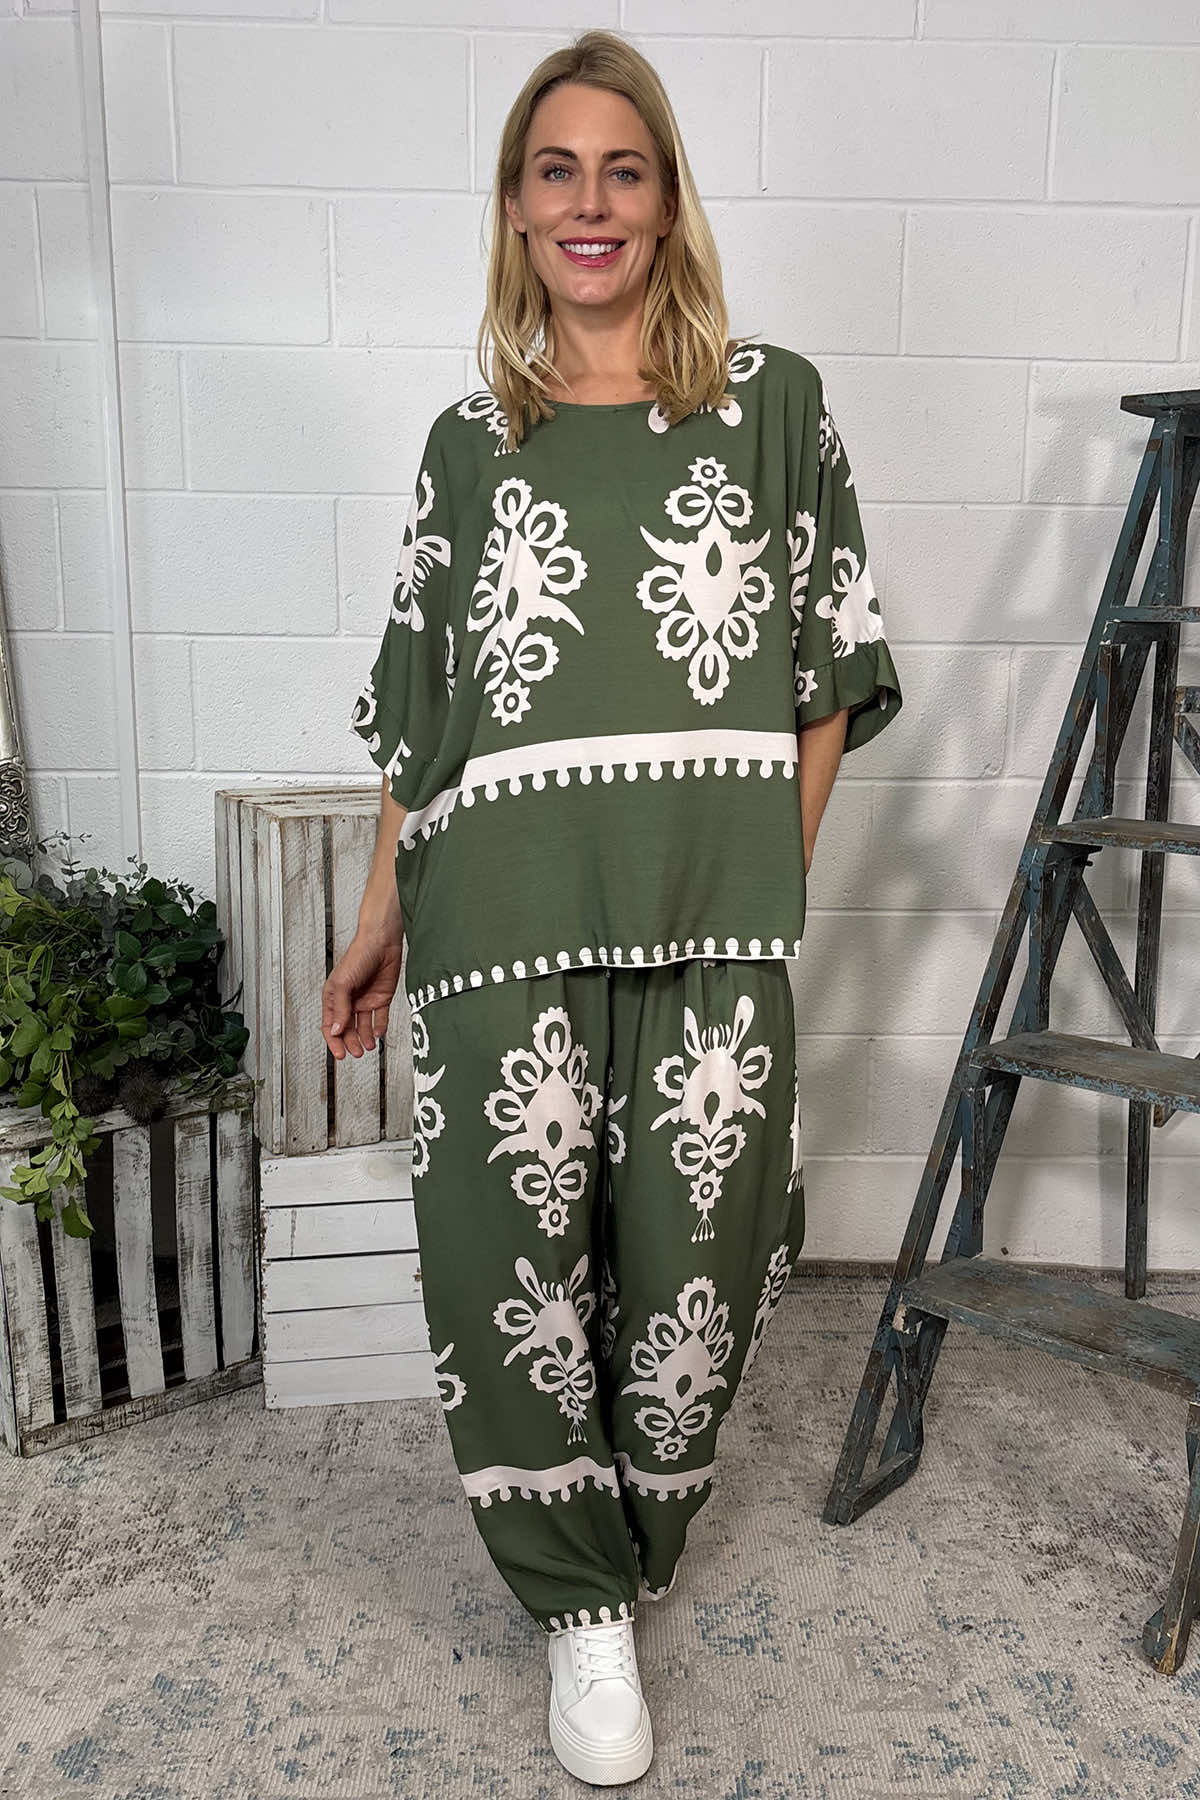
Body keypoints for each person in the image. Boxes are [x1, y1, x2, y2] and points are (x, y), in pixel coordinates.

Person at [323, 29, 902, 1789]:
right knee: (506, 1268)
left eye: (622, 170)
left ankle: (639, 1542)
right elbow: (425, 728)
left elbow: (828, 679)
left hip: (709, 925)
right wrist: (379, 919)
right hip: (497, 924)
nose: (590, 202)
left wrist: (763, 874)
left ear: (664, 203)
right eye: (556, 170)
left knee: (697, 1277)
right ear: (516, 207)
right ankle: (579, 1604)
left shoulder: (773, 405)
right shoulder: (466, 445)